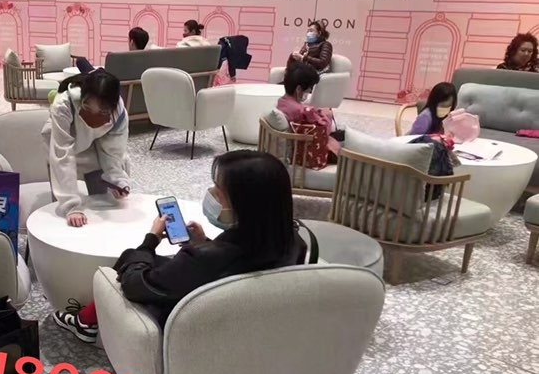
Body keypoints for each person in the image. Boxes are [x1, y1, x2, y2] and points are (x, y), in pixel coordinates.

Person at [52, 150, 308, 343]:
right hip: (248, 327)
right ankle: (87, 319)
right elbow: (236, 264)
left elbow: (135, 285)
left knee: (130, 261)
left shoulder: (201, 260)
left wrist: (150, 240)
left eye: (218, 191)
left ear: (243, 204)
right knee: (156, 261)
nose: (211, 192)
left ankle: (85, 323)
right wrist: (204, 244)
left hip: (190, 328)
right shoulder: (294, 243)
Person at [43, 69, 131, 227]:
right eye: (87, 107)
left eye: (102, 111)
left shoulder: (118, 113)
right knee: (65, 214)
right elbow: (62, 153)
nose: (94, 116)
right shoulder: (64, 105)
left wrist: (116, 180)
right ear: (82, 97)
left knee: (101, 203)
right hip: (61, 143)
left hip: (94, 146)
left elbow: (113, 151)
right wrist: (71, 206)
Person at [276, 63, 340, 157]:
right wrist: (326, 114)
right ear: (299, 89)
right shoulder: (302, 111)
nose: (309, 92)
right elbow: (324, 130)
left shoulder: (281, 102)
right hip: (308, 151)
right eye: (309, 89)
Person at [75, 27, 158, 73]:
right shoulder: (149, 63)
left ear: (132, 42)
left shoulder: (119, 59)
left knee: (80, 60)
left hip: (107, 88)